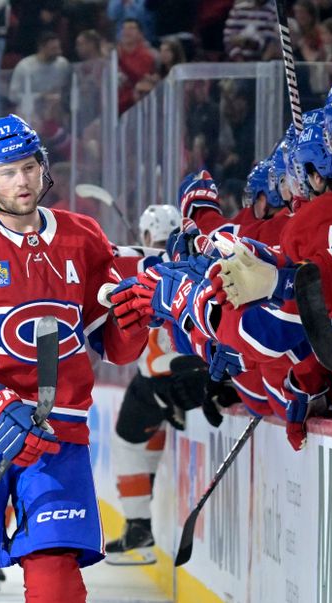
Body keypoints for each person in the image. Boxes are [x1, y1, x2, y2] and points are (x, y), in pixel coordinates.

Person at [0, 114, 148, 602]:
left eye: (28, 166)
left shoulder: (84, 237)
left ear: (43, 167)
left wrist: (134, 317)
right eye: (6, 171)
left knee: (56, 576)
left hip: (57, 433)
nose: (21, 180)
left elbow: (115, 347)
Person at [105, 204, 211, 565]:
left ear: (149, 234)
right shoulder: (197, 254)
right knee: (145, 439)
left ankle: (138, 526)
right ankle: (141, 521)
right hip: (200, 374)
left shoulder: (148, 265)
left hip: (161, 377)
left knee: (125, 441)